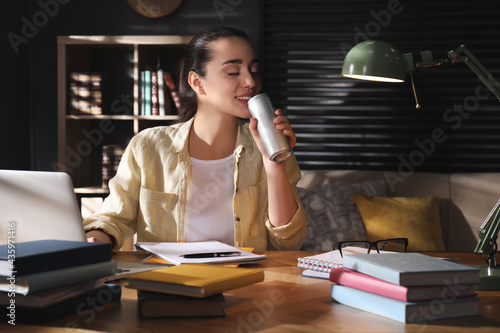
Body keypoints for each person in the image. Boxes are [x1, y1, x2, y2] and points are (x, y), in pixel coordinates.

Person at [84, 26, 307, 251]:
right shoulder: (148, 146)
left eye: (254, 70)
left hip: (245, 281)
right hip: (170, 281)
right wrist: (95, 240)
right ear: (197, 82)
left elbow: (288, 242)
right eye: (233, 72)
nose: (250, 82)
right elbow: (113, 219)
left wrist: (273, 164)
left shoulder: (271, 146)